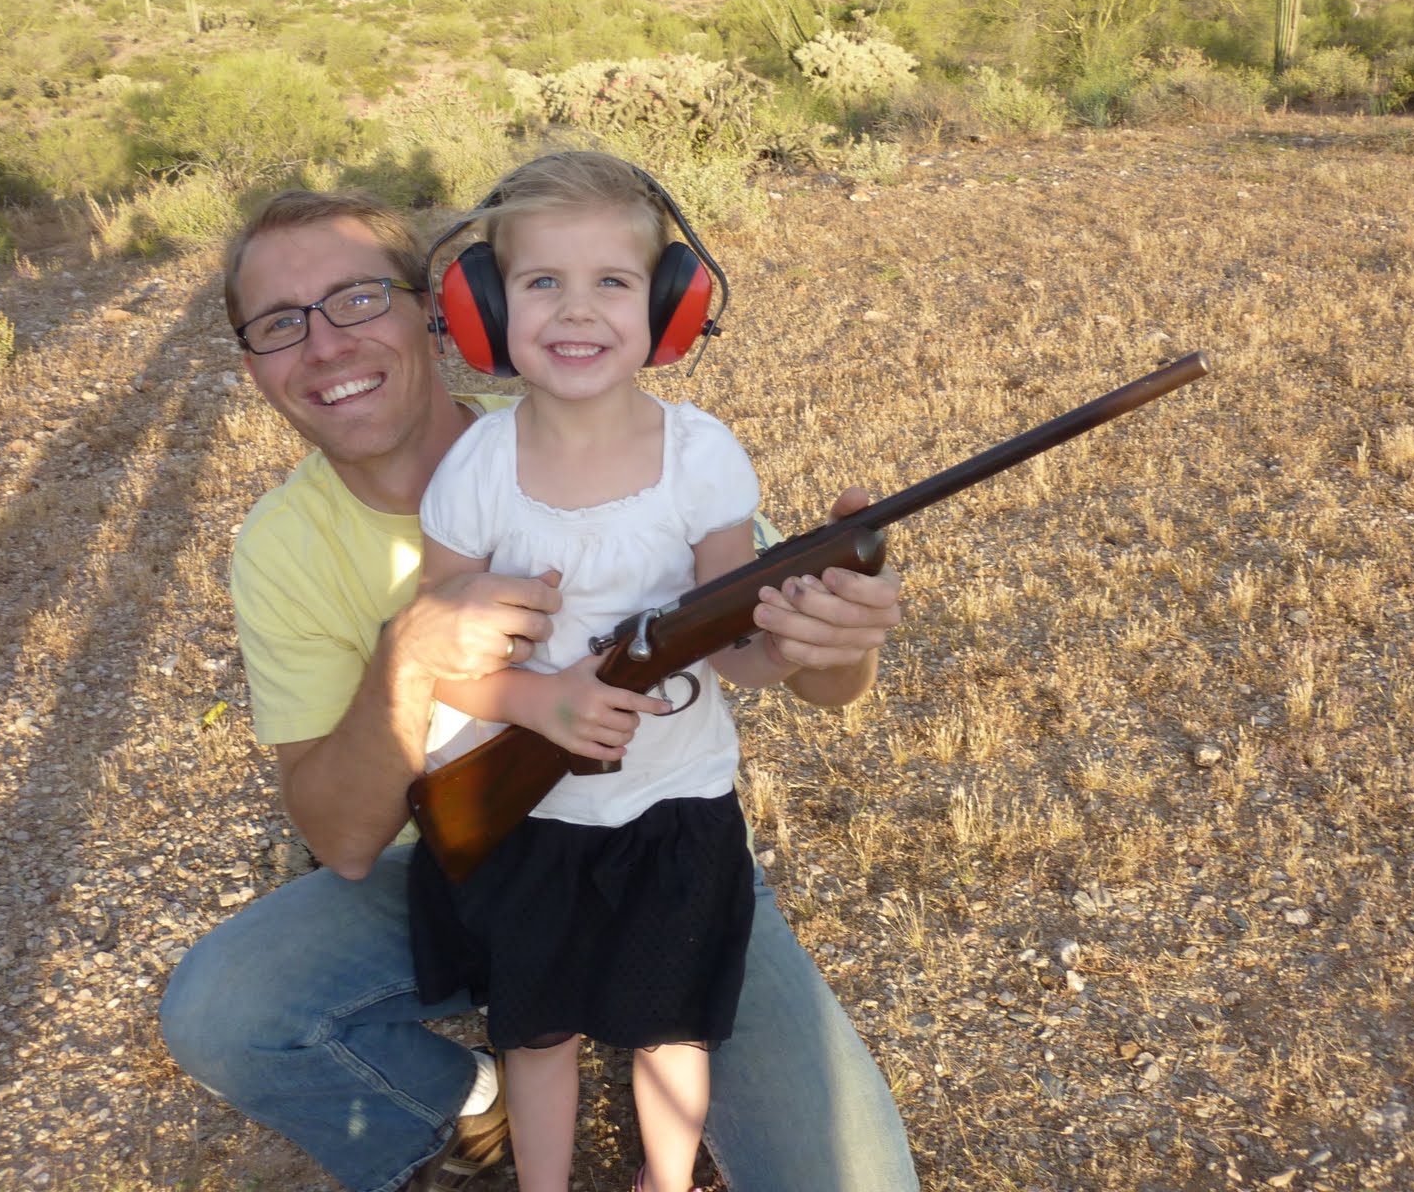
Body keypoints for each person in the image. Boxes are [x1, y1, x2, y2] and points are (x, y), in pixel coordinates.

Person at [157, 181, 924, 1192]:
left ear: (439, 313)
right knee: (222, 1010)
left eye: (355, 299)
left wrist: (831, 639)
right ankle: (470, 1107)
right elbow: (341, 840)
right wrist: (413, 656)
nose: (327, 345)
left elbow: (789, 663)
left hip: (666, 842)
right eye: (278, 323)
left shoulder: (647, 452)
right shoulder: (285, 544)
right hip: (452, 859)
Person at [408, 152, 799, 1192]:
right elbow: (438, 664)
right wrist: (541, 698)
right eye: (542, 282)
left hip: (679, 806)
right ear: (485, 310)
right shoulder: (476, 472)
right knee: (537, 1032)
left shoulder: (703, 455)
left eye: (612, 283)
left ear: (669, 308)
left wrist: (799, 632)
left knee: (671, 1026)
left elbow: (737, 645)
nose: (576, 310)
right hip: (531, 822)